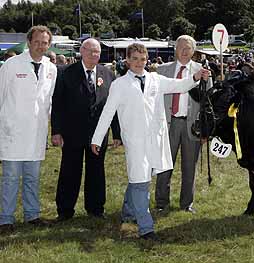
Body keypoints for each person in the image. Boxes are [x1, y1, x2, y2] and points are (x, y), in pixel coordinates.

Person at [90, 43, 209, 240]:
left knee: (141, 178)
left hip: (155, 138)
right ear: (127, 60)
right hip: (135, 140)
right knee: (141, 182)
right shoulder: (119, 85)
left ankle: (128, 213)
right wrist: (97, 138)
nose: (138, 63)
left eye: (142, 59)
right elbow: (108, 113)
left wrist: (196, 77)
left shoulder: (155, 79)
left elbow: (179, 85)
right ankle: (146, 228)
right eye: (134, 59)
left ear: (147, 61)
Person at [51, 38, 121, 221]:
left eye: (97, 52)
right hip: (72, 133)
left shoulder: (108, 74)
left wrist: (117, 133)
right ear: (81, 51)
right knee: (70, 171)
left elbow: (112, 107)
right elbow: (57, 104)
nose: (93, 55)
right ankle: (65, 211)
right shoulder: (66, 73)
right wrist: (56, 131)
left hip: (98, 134)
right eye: (90, 51)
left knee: (96, 171)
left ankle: (96, 209)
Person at [0, 26, 57, 233]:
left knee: (33, 177)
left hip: (36, 132)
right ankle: (5, 219)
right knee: (11, 178)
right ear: (28, 42)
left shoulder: (52, 68)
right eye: (37, 42)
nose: (41, 46)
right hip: (13, 132)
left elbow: (48, 101)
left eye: (45, 43)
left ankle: (32, 215)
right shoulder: (11, 65)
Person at [155, 35, 211, 214]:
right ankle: (161, 202)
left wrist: (205, 131)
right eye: (181, 47)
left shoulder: (203, 72)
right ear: (175, 49)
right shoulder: (162, 70)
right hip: (168, 125)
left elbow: (208, 104)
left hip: (192, 126)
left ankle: (187, 204)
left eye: (188, 48)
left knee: (189, 166)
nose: (184, 51)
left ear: (194, 51)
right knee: (164, 165)